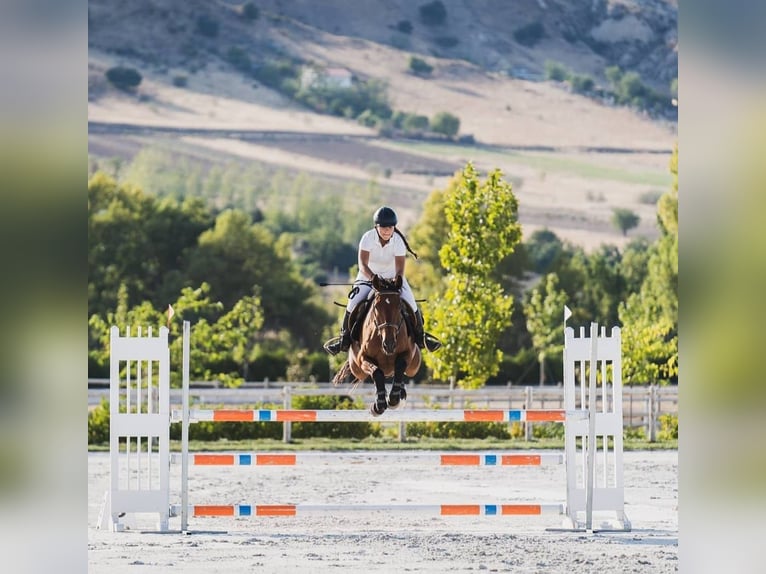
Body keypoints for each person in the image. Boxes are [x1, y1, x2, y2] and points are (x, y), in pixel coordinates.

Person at [323, 206, 442, 355]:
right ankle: (343, 339)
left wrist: (395, 281)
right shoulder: (367, 238)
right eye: (383, 227)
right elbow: (363, 265)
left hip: (393, 278)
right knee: (353, 303)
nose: (386, 231)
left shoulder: (398, 241)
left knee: (411, 302)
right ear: (376, 227)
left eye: (390, 227)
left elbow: (400, 269)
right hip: (368, 277)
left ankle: (421, 337)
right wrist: (374, 279)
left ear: (394, 227)